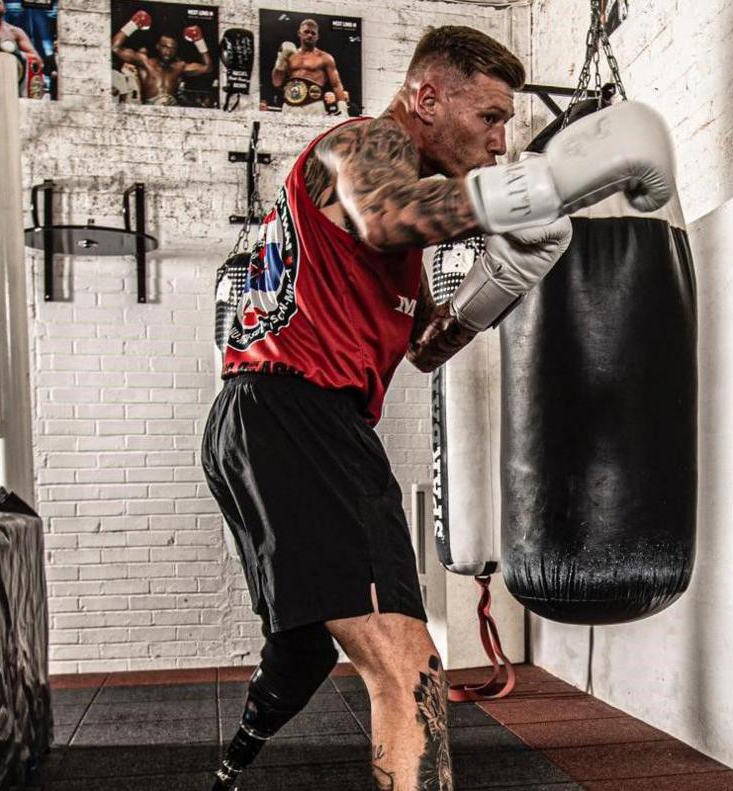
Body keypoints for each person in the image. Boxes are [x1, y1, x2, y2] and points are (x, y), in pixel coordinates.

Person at [202, 24, 674, 791]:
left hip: (258, 423)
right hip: (298, 416)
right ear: (425, 97)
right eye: (489, 117)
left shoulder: (397, 237)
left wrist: (502, 282)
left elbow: (424, 344)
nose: (500, 140)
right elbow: (388, 210)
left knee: (305, 646)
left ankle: (234, 758)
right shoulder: (360, 144)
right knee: (407, 659)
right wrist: (549, 183)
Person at [111, 9, 212, 106]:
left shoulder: (179, 67)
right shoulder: (145, 62)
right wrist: (133, 24)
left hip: (173, 108)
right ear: (158, 46)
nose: (168, 52)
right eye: (165, 47)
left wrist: (199, 41)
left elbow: (207, 68)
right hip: (149, 109)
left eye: (172, 48)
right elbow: (115, 48)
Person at [271, 17, 348, 115]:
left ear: (317, 37)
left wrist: (343, 108)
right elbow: (276, 82)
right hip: (290, 105)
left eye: (313, 33)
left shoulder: (325, 57)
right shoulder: (290, 56)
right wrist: (281, 60)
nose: (310, 35)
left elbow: (336, 84)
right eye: (306, 32)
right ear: (299, 33)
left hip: (314, 105)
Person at [0, 0, 42, 97]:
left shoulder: (15, 32)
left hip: (8, 82)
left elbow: (36, 60)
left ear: (5, 9)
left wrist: (13, 53)